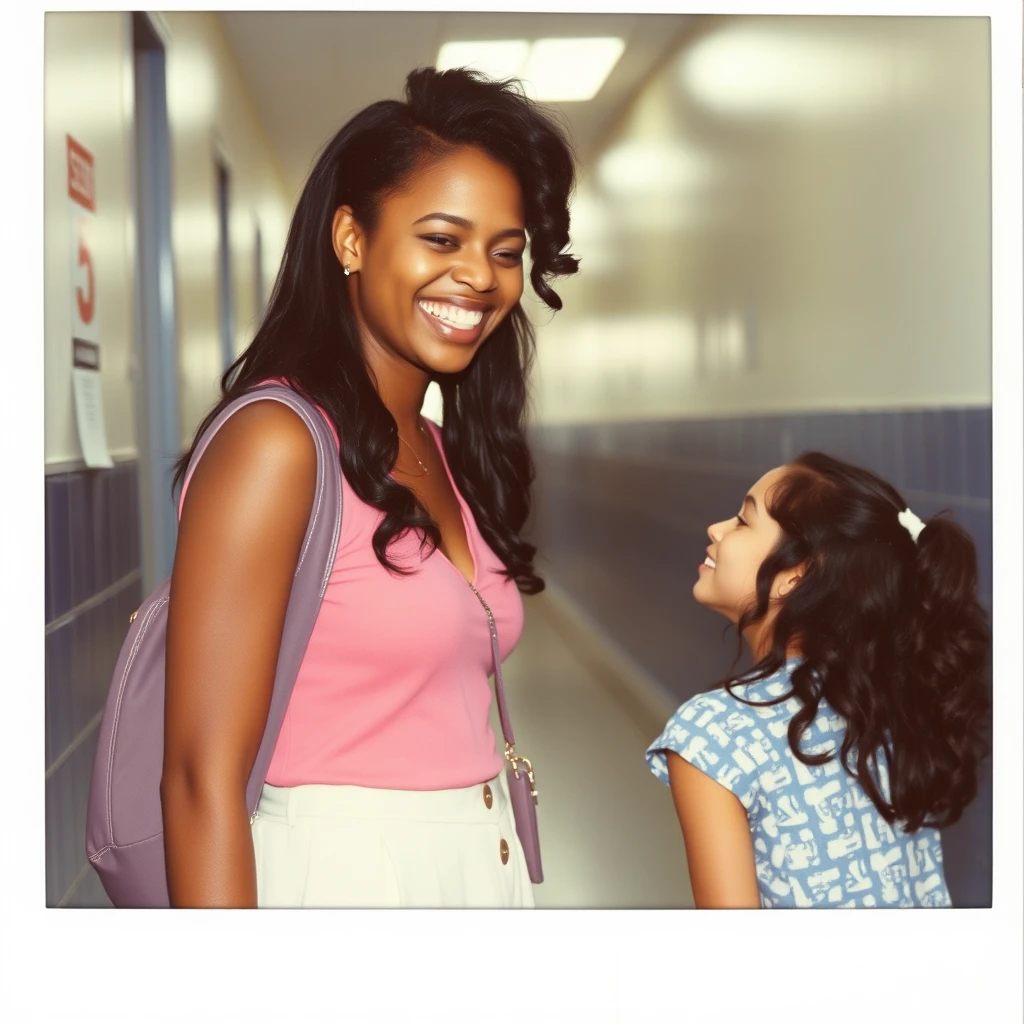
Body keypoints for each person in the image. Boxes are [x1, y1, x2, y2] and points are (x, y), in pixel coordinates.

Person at [160, 67, 578, 908]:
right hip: (341, 883)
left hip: (478, 872)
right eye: (442, 239)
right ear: (351, 239)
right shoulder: (276, 445)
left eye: (505, 252)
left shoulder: (440, 447)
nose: (480, 279)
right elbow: (200, 777)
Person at [646, 452, 990, 908]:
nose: (716, 529)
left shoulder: (712, 736)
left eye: (743, 521)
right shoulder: (894, 701)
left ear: (796, 573)